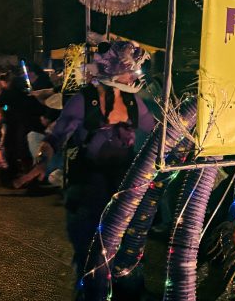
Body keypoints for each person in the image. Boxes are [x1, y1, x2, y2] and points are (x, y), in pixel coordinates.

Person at [16, 40, 155, 284]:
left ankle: (126, 299)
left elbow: (157, 134)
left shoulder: (135, 102)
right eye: (128, 71)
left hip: (124, 183)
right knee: (90, 248)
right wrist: (41, 162)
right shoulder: (85, 100)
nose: (133, 76)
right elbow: (56, 137)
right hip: (89, 183)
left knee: (127, 249)